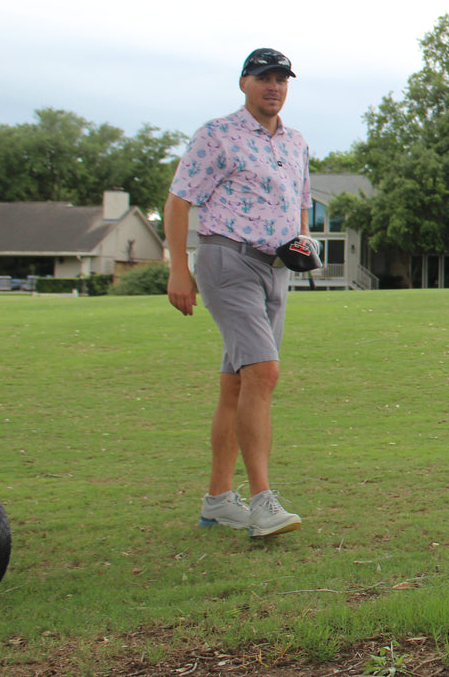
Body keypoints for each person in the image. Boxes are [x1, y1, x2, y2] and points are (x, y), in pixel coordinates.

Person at [164, 47, 310, 538]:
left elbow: (301, 203)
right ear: (244, 82)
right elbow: (179, 200)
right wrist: (179, 269)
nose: (274, 86)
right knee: (264, 374)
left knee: (239, 384)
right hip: (228, 260)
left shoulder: (296, 143)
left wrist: (302, 241)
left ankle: (219, 501)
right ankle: (263, 502)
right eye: (264, 77)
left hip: (276, 269)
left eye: (281, 79)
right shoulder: (216, 135)